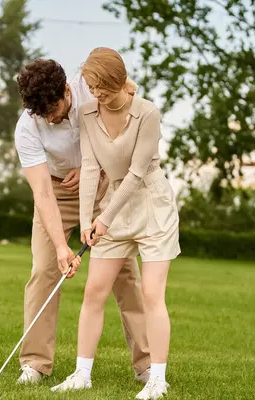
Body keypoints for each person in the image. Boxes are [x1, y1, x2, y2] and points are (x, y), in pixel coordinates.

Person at [50, 48, 181, 399]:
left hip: (153, 206)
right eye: (91, 88)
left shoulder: (147, 113)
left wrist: (104, 218)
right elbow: (91, 167)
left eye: (100, 87)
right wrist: (85, 221)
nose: (96, 94)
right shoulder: (88, 112)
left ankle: (157, 380)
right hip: (113, 208)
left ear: (115, 80)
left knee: (152, 295)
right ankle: (82, 374)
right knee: (94, 291)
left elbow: (138, 173)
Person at [13, 59, 152, 386]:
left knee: (125, 273)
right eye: (41, 113)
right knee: (44, 270)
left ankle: (147, 365)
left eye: (53, 108)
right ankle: (34, 364)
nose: (50, 118)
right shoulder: (28, 126)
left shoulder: (91, 89)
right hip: (58, 192)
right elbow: (42, 192)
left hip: (105, 188)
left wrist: (96, 170)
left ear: (66, 89)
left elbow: (124, 140)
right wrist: (62, 248)